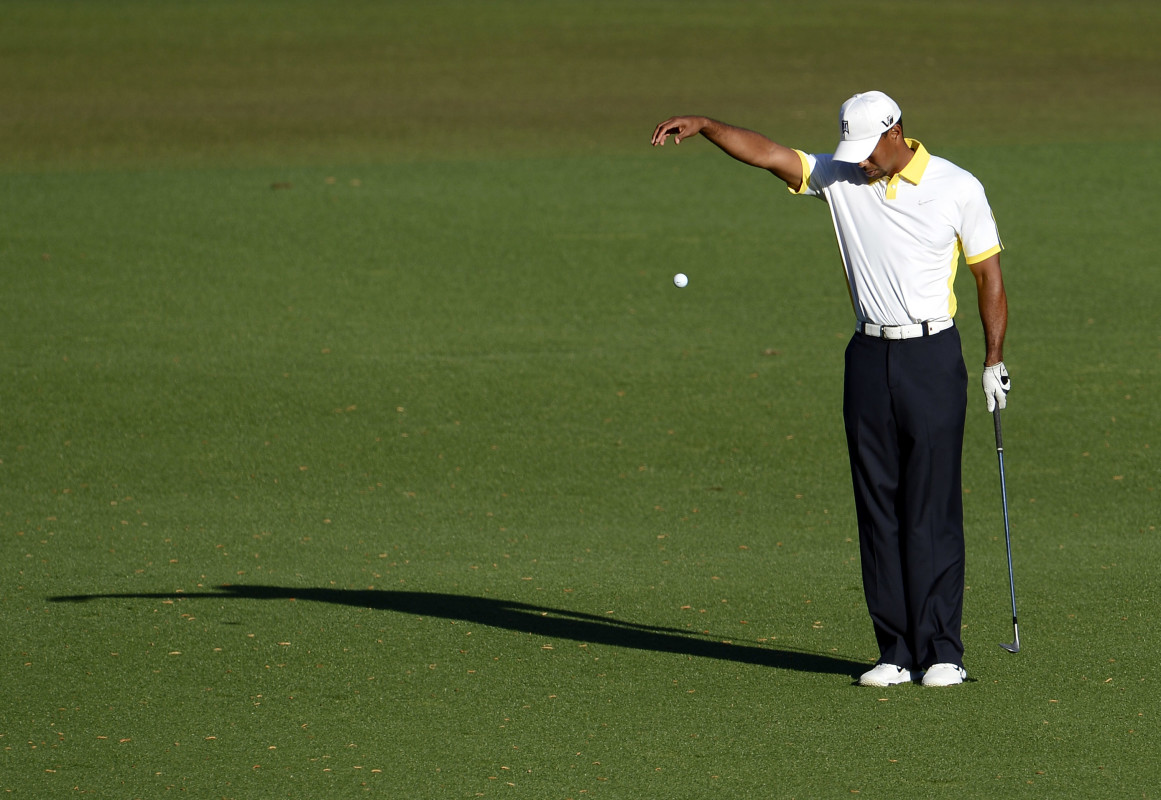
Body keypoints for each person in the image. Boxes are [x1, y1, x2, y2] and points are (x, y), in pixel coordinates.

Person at [651, 91, 1010, 688]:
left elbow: (987, 274)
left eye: (868, 149)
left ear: (896, 133)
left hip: (931, 355)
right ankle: (895, 651)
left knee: (931, 507)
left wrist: (993, 359)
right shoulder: (841, 176)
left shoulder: (957, 186)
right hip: (868, 357)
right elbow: (768, 154)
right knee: (877, 506)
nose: (859, 160)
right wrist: (708, 125)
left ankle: (942, 651)